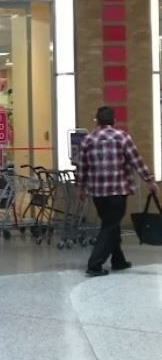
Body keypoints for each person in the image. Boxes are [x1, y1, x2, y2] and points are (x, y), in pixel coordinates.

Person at [76, 106, 160, 277]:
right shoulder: (122, 137)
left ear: (97, 120)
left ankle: (118, 260)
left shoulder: (87, 140)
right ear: (114, 120)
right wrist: (149, 180)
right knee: (110, 226)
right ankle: (94, 265)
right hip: (117, 191)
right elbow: (136, 161)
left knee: (110, 224)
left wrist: (81, 188)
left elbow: (82, 167)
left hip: (98, 193)